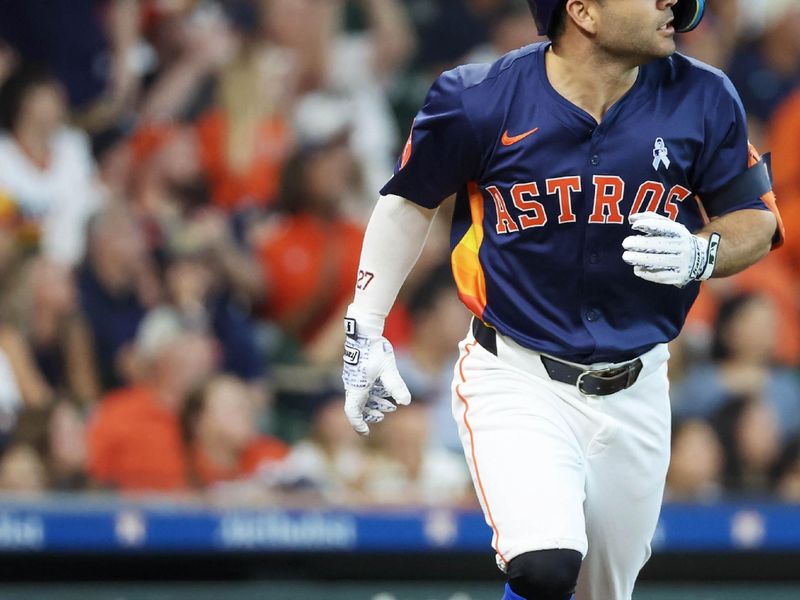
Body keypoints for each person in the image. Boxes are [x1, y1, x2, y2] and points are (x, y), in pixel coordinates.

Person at [340, 1, 783, 599]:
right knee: (544, 565)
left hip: (639, 384)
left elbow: (754, 219)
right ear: (582, 12)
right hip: (516, 373)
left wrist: (702, 254)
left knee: (599, 593)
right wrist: (364, 325)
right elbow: (408, 200)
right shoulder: (480, 97)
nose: (670, 3)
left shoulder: (704, 94)